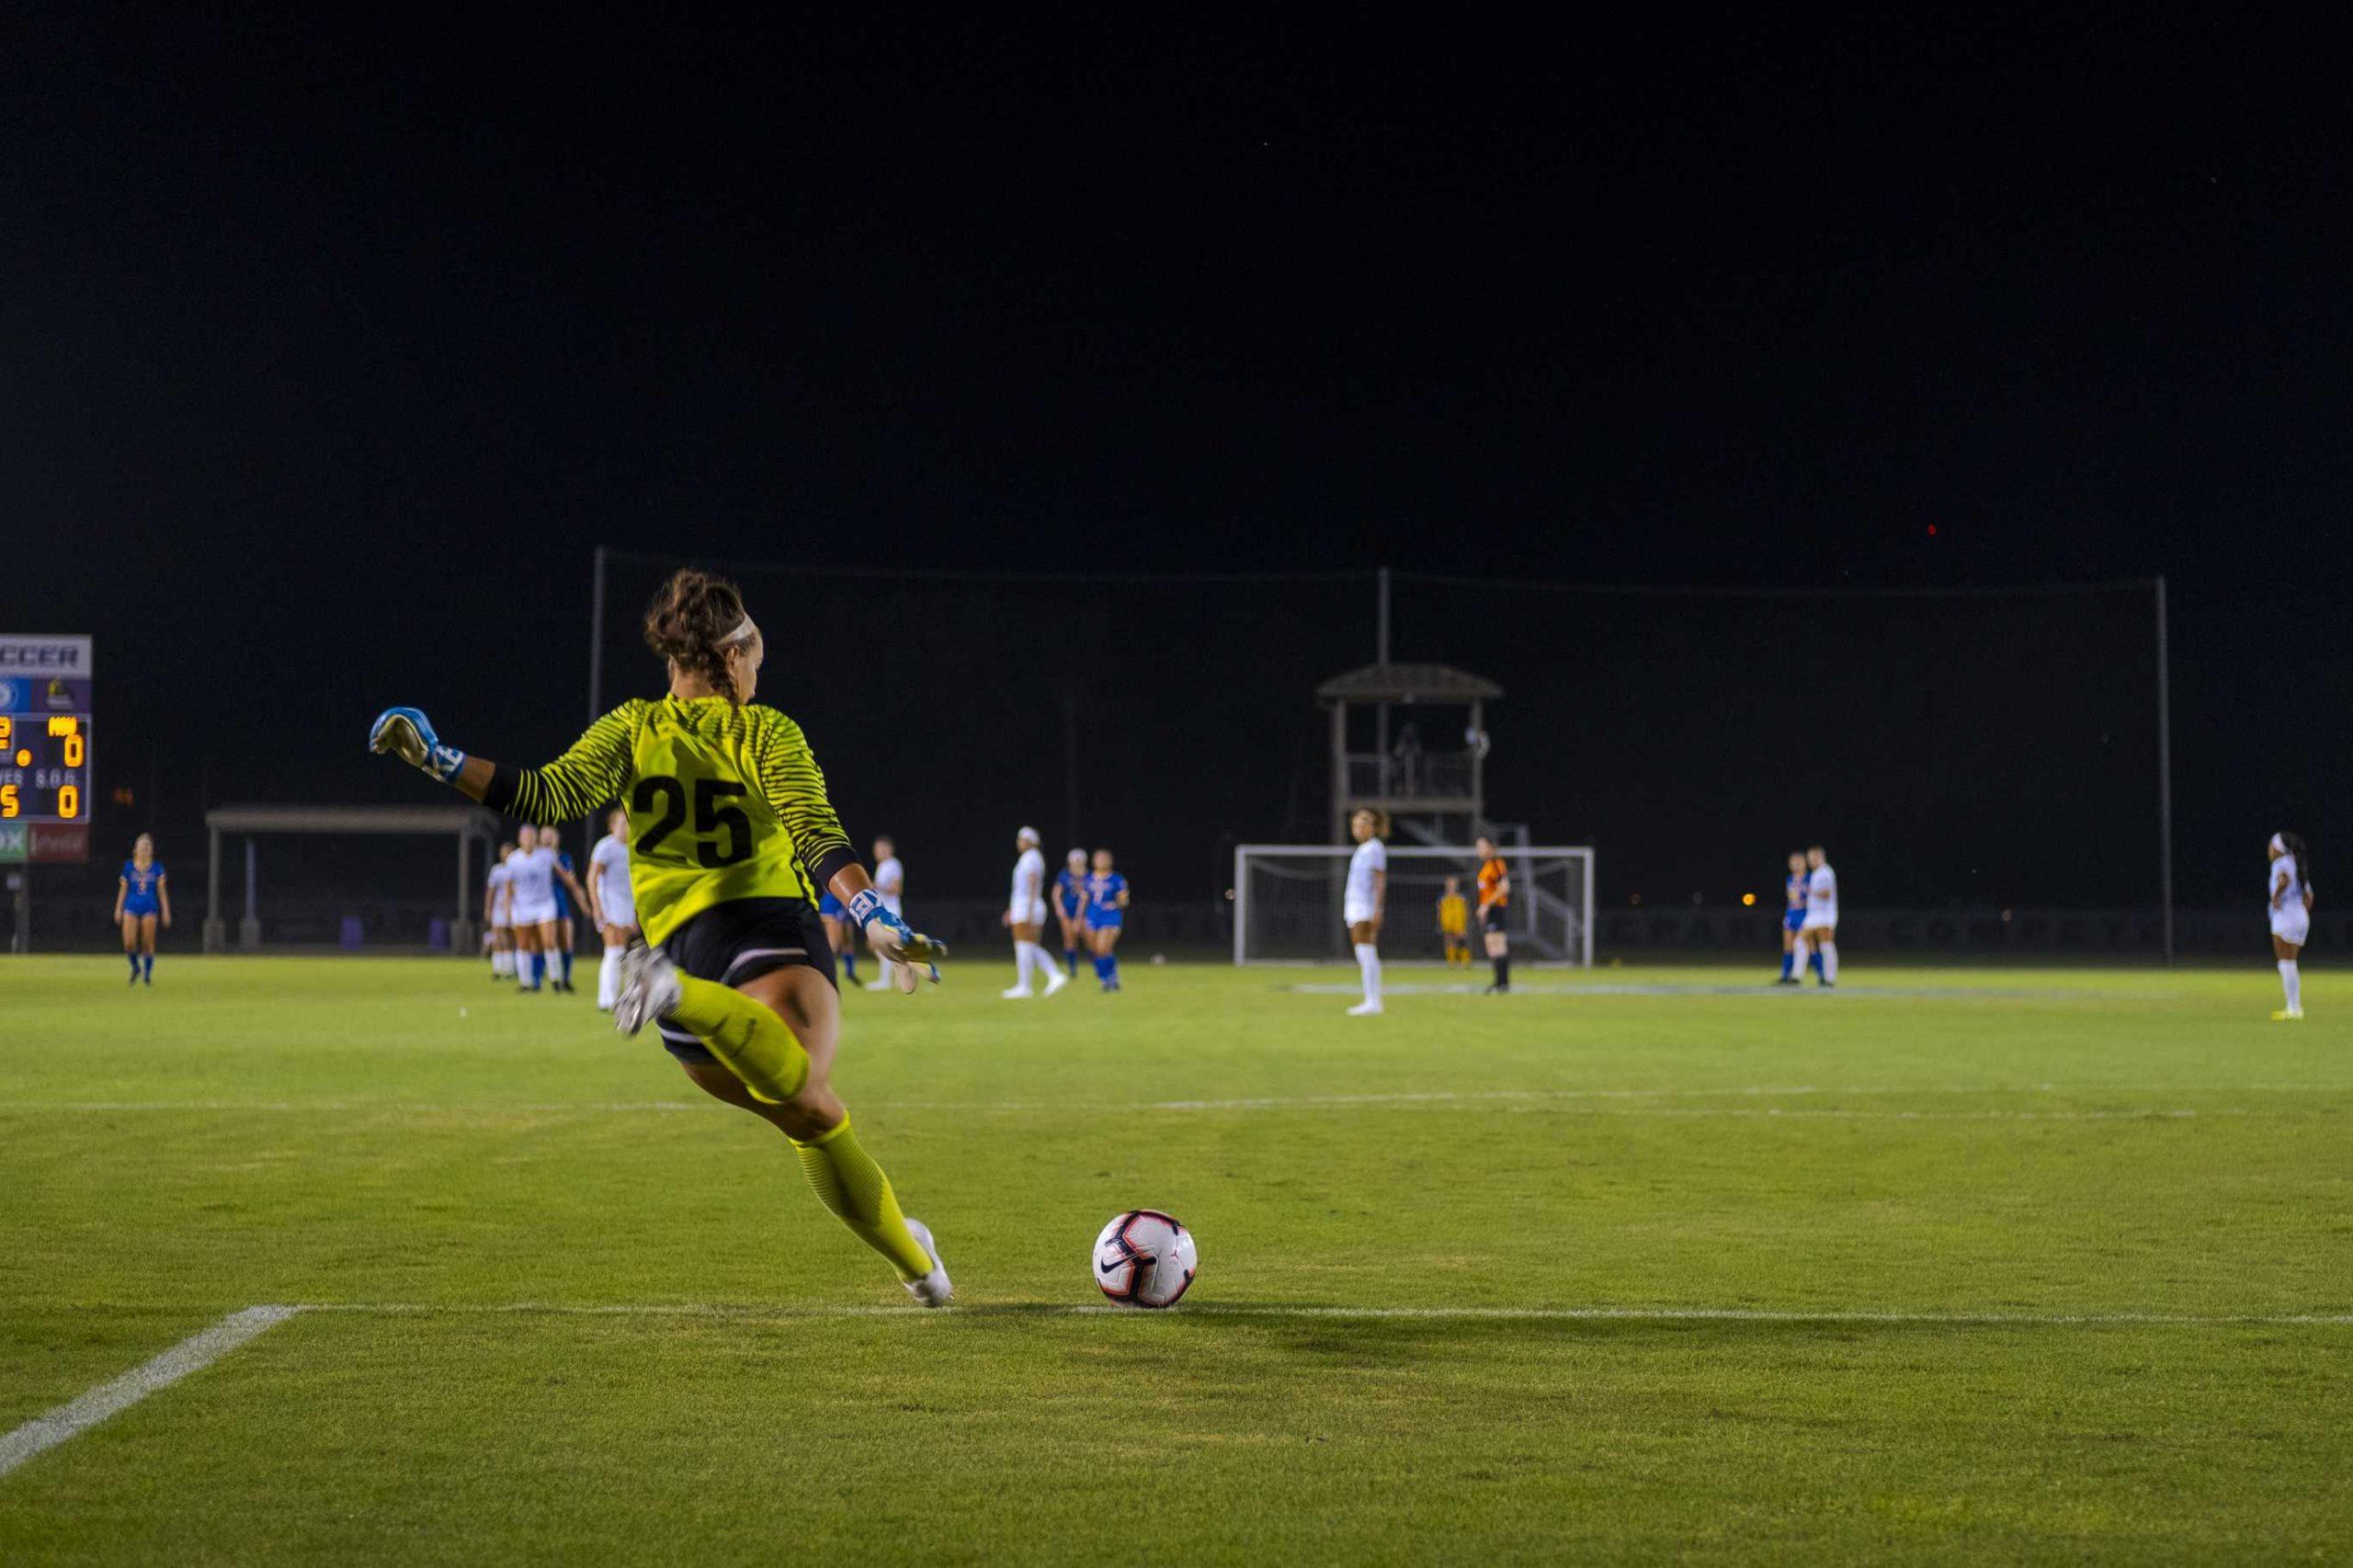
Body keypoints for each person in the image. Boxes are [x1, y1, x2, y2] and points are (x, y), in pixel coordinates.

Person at [368, 565, 952, 1305]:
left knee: (814, 1119)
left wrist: (439, 759)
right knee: (806, 1085)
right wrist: (876, 916)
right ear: (734, 657)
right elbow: (815, 832)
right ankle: (683, 997)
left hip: (677, 943)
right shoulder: (764, 730)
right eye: (757, 659)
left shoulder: (631, 727)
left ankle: (919, 1266)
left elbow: (546, 792)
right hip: (764, 927)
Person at [506, 827, 588, 994]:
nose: (528, 840)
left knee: (549, 942)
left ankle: (556, 979)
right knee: (523, 945)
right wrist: (508, 909)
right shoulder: (513, 859)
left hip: (544, 905)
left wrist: (577, 889)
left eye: (531, 837)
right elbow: (509, 886)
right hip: (522, 907)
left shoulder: (546, 855)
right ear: (520, 839)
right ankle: (526, 983)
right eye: (525, 837)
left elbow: (564, 875)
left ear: (535, 838)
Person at [1002, 825, 1068, 999]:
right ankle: (1029, 984)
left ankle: (1045, 978)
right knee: (1026, 946)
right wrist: (1011, 909)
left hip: (1027, 905)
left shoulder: (1031, 857)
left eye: (1021, 839)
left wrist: (1029, 907)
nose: (1018, 843)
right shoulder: (1030, 857)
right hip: (1023, 904)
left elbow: (1032, 881)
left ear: (1029, 841)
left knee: (1025, 945)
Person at [587, 807, 639, 1012]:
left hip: (628, 904)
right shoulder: (605, 847)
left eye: (627, 823)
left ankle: (618, 997)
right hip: (609, 901)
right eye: (620, 823)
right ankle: (606, 1000)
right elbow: (592, 878)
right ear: (611, 827)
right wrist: (597, 907)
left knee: (623, 952)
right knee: (613, 949)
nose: (624, 827)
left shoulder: (635, 848)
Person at [1344, 807, 1387, 1016]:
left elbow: (1379, 880)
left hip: (1365, 907)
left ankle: (1373, 1001)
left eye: (1362, 825)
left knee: (1366, 952)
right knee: (1364, 954)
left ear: (1371, 827)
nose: (1358, 830)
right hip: (1355, 905)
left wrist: (1377, 908)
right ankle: (1371, 1000)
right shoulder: (1362, 849)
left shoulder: (1374, 848)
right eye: (1355, 826)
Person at [2268, 831, 2314, 1021]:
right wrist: (2301, 913)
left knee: (2284, 963)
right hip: (2300, 916)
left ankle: (2292, 1008)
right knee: (2291, 963)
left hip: (2286, 915)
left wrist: (2276, 897)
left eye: (2271, 845)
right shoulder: (2298, 864)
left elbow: (2284, 880)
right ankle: (2295, 1008)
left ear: (2278, 849)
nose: (2269, 850)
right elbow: (2309, 897)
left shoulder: (2281, 863)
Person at [112, 833, 170, 985]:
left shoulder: (157, 867)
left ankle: (147, 975)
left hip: (149, 906)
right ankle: (136, 967)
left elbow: (161, 892)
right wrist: (118, 908)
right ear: (135, 849)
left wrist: (165, 910)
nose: (144, 849)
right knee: (129, 943)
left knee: (147, 942)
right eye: (142, 846)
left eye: (147, 846)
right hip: (131, 906)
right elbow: (123, 889)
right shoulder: (129, 866)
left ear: (151, 850)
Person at [540, 824, 586, 994]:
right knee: (543, 942)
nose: (547, 839)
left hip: (559, 901)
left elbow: (571, 882)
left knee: (566, 941)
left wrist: (582, 901)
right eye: (544, 836)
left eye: (551, 836)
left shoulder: (564, 858)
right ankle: (538, 980)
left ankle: (565, 978)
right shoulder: (536, 857)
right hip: (538, 903)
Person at [1082, 846, 1130, 992]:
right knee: (1095, 950)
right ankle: (1111, 976)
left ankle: (1107, 980)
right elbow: (1084, 900)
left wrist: (1116, 903)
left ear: (1110, 861)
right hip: (1092, 916)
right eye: (1098, 858)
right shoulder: (1088, 878)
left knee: (1103, 948)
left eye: (1104, 858)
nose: (1101, 861)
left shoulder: (1116, 879)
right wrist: (1079, 918)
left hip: (1110, 916)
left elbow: (1124, 900)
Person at [863, 835, 906, 992]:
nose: (879, 851)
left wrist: (876, 886)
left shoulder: (893, 864)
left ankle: (885, 981)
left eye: (882, 848)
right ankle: (904, 970)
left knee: (881, 945)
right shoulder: (882, 866)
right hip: (882, 912)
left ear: (890, 849)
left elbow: (896, 889)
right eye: (877, 849)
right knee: (876, 945)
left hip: (890, 912)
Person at [1795, 844, 1838, 987]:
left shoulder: (1825, 872)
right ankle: (1797, 976)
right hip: (1813, 916)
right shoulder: (1817, 872)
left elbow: (1826, 894)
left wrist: (1809, 890)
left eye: (1813, 857)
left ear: (1821, 857)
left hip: (1825, 915)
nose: (1810, 860)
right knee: (1800, 942)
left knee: (1826, 945)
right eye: (1809, 857)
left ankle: (1829, 978)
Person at [1474, 835, 1511, 994]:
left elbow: (1504, 887)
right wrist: (1483, 907)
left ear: (1490, 848)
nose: (1479, 850)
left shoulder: (1496, 863)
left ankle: (1502, 983)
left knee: (1497, 944)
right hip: (1490, 910)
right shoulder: (1486, 866)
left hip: (1497, 908)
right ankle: (1499, 983)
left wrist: (1486, 906)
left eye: (1481, 846)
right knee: (1492, 946)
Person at [1776, 850, 1815, 984]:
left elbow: (1810, 896)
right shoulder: (1790, 878)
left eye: (1799, 861)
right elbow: (1791, 897)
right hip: (1791, 914)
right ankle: (1785, 975)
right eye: (1794, 862)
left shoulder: (1811, 877)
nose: (1796, 864)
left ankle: (1822, 975)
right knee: (1788, 946)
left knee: (1809, 946)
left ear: (1805, 863)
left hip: (1805, 914)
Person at [1053, 847, 1088, 978]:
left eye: (1080, 860)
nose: (1077, 863)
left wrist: (1080, 917)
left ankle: (1099, 966)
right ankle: (1072, 969)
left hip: (1085, 912)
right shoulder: (1064, 875)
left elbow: (1087, 896)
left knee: (1089, 939)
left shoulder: (1089, 876)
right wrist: (1059, 907)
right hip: (1068, 912)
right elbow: (1056, 893)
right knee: (1069, 939)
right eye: (1075, 860)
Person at [484, 841, 517, 979]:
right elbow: (491, 891)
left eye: (509, 852)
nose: (506, 854)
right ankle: (497, 970)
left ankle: (509, 970)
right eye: (504, 852)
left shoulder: (518, 868)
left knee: (510, 939)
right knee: (497, 938)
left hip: (514, 908)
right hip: (499, 909)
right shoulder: (496, 870)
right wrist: (488, 908)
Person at [818, 887, 859, 987]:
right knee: (834, 944)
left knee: (848, 942)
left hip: (845, 904)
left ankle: (850, 972)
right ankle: (823, 973)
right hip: (832, 904)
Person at [1437, 877, 1470, 969]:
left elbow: (1466, 910)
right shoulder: (1442, 898)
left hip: (1459, 922)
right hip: (1447, 922)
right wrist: (1439, 922)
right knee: (1449, 941)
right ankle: (1451, 962)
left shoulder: (1462, 897)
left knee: (1461, 940)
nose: (1451, 886)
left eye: (1453, 884)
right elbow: (1439, 910)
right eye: (1449, 884)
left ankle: (1465, 961)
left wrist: (1466, 921)